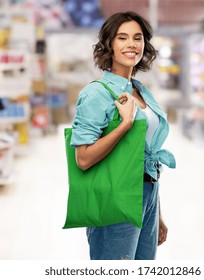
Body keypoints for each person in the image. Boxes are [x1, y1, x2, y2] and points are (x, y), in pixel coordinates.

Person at [70, 11, 176, 260]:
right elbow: (83, 159)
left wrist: (156, 211)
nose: (132, 44)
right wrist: (124, 124)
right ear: (109, 44)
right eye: (122, 38)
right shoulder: (96, 93)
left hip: (147, 194)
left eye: (137, 38)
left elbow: (143, 155)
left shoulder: (140, 91)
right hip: (114, 199)